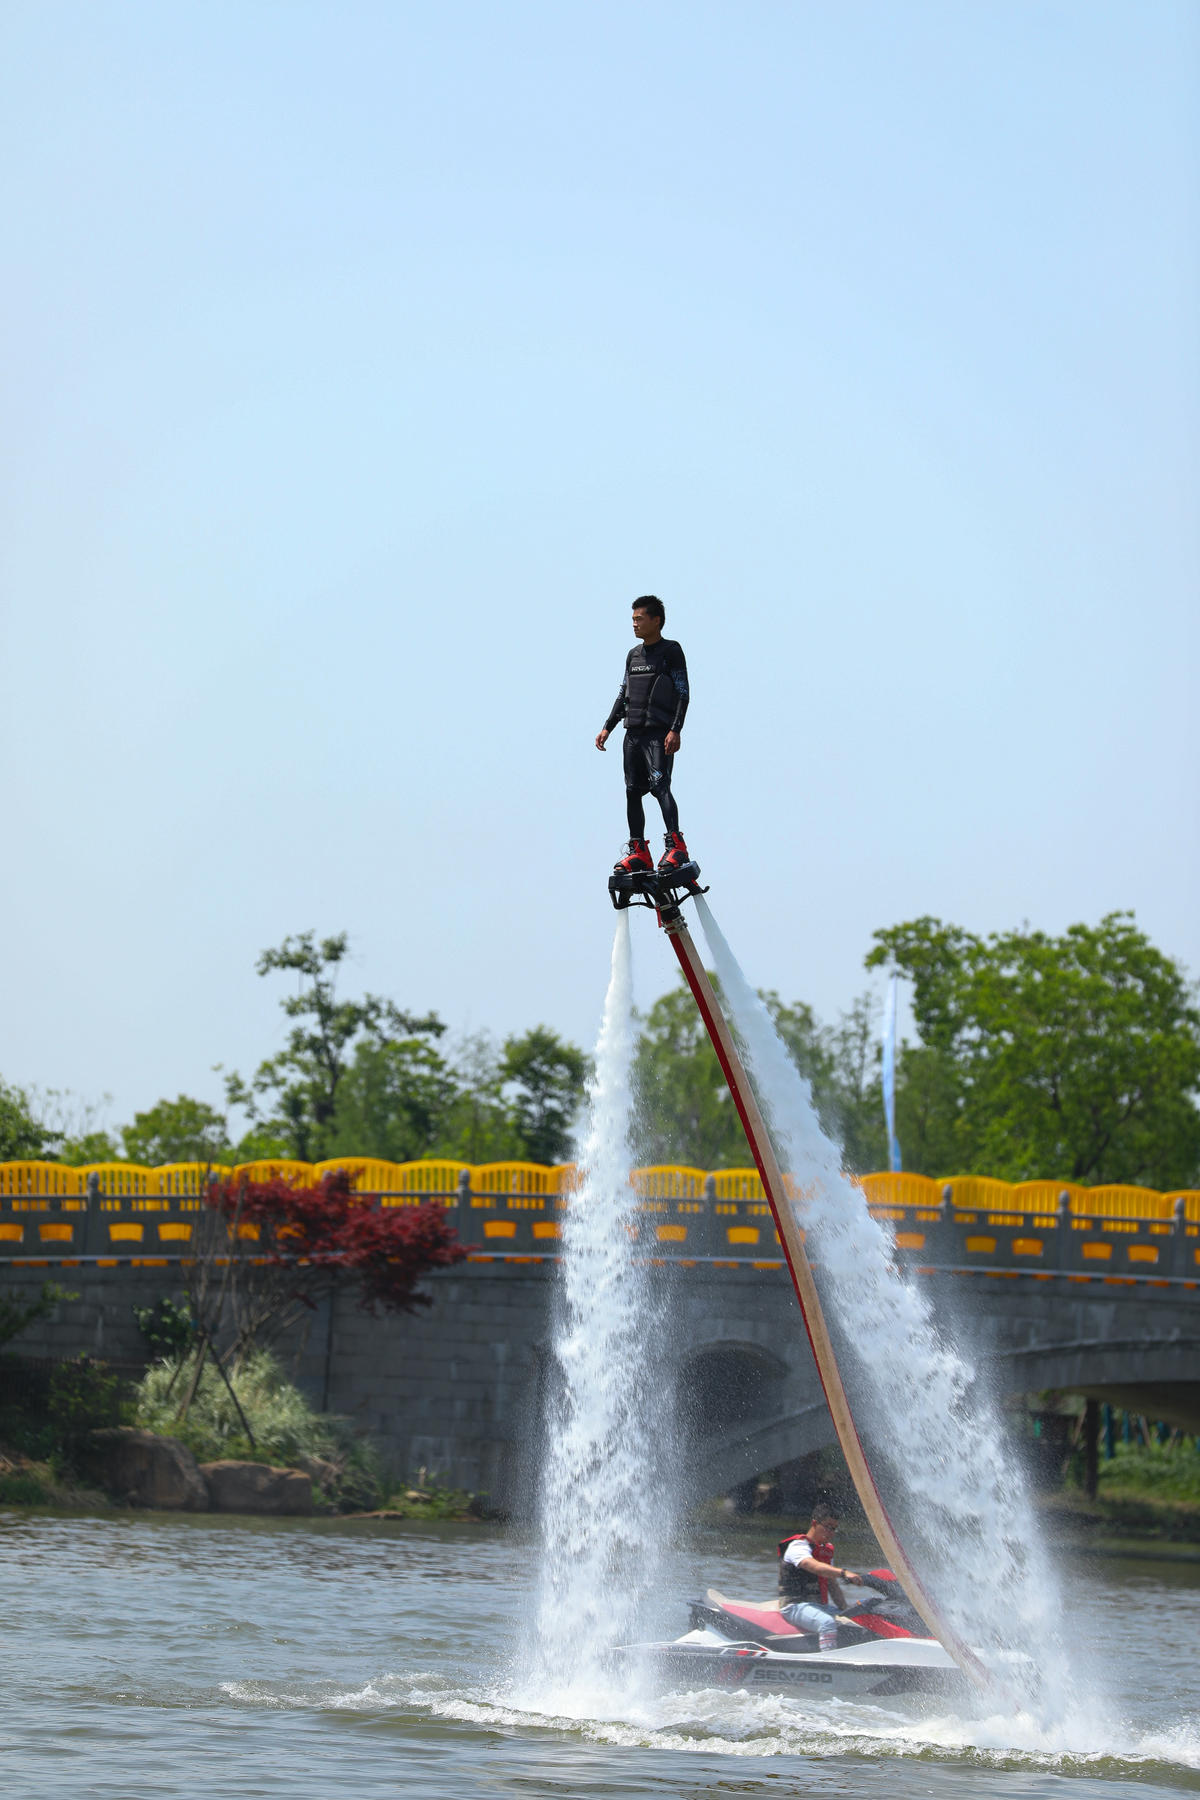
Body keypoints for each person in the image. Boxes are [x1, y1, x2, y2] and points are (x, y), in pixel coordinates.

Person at [595, 595, 693, 876]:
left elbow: (683, 693)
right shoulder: (633, 655)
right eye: (633, 619)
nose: (634, 624)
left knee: (660, 786)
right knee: (632, 791)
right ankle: (638, 850)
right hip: (633, 735)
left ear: (656, 620)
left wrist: (675, 729)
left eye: (639, 619)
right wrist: (607, 727)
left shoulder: (671, 651)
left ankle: (676, 846)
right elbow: (624, 693)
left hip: (658, 735)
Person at [777, 1505, 861, 1651]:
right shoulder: (798, 1547)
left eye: (834, 1529)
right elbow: (813, 1566)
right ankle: (829, 1659)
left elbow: (832, 1584)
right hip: (794, 1606)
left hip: (819, 1606)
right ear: (815, 1524)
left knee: (857, 1620)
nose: (831, 1532)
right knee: (827, 1623)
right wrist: (844, 1572)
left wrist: (845, 1610)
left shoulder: (825, 1551)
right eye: (828, 1527)